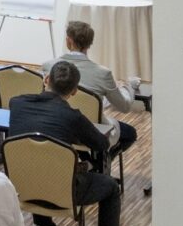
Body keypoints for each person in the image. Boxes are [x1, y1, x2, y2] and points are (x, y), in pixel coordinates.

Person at [9, 61, 126, 226]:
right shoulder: (73, 117)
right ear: (74, 92)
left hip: (21, 188)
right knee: (110, 187)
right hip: (64, 193)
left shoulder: (16, 104)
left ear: (46, 80)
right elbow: (101, 145)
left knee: (35, 163)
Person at [42, 21, 139, 151]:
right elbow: (124, 106)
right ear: (89, 44)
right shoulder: (103, 73)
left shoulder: (49, 66)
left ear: (68, 40)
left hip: (55, 124)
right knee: (130, 133)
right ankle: (103, 159)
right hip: (92, 130)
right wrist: (129, 87)